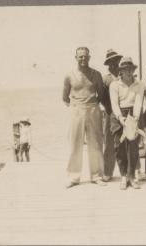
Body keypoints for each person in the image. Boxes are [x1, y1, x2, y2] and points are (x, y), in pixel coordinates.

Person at [62, 47, 106, 188]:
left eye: (85, 56)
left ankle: (97, 175)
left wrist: (91, 105)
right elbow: (65, 97)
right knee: (75, 144)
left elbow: (101, 94)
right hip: (76, 110)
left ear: (89, 57)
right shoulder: (69, 75)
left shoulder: (96, 74)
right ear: (76, 57)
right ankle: (73, 177)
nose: (83, 59)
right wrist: (77, 106)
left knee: (96, 144)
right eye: (80, 56)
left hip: (93, 109)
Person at [109, 56, 145, 190]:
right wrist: (120, 118)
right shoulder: (114, 85)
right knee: (119, 147)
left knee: (133, 147)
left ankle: (131, 176)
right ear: (121, 71)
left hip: (133, 115)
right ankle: (123, 176)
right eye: (125, 69)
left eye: (130, 69)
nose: (128, 72)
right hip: (119, 116)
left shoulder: (140, 84)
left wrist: (134, 119)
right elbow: (114, 103)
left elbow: (138, 102)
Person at [101, 49, 122, 182]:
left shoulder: (125, 74)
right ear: (108, 63)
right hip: (110, 114)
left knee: (127, 141)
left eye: (116, 61)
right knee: (109, 143)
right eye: (111, 62)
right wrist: (110, 108)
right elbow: (102, 97)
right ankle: (107, 172)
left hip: (125, 113)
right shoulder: (105, 78)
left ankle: (130, 171)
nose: (114, 64)